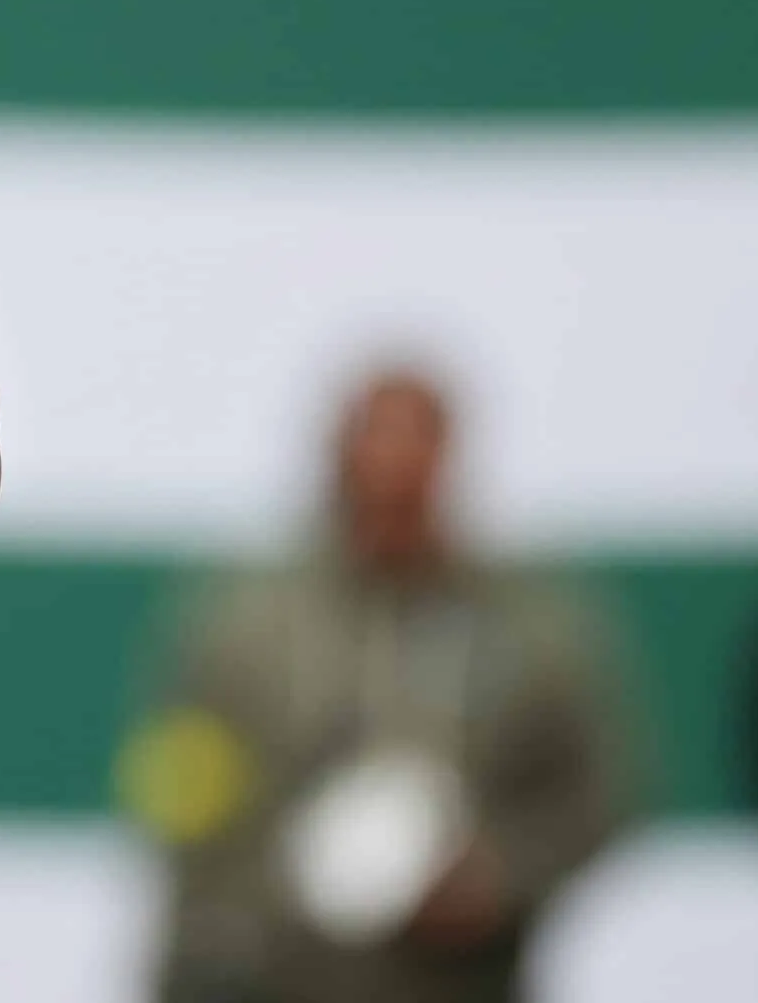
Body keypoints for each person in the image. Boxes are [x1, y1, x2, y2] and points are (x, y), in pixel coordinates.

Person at [120, 369, 632, 1003]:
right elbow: (180, 801)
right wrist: (272, 894)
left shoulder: (532, 629)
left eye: (409, 484)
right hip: (273, 978)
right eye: (370, 479)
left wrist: (500, 878)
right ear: (335, 468)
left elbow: (602, 795)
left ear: (446, 469)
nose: (387, 499)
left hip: (455, 982)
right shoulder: (241, 628)